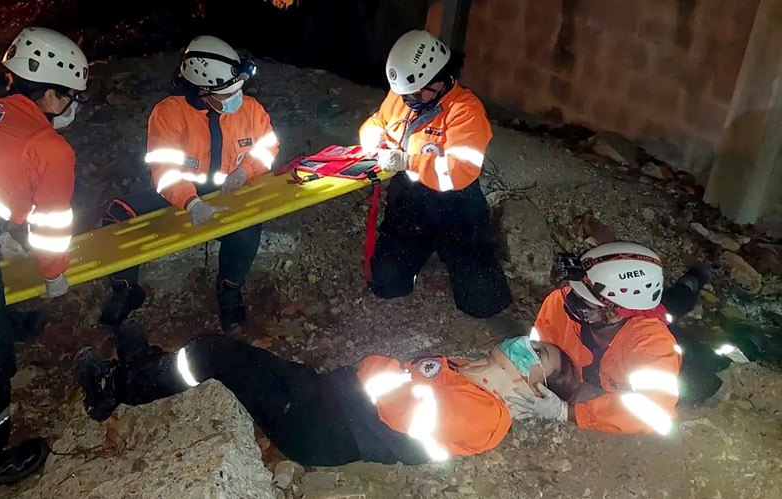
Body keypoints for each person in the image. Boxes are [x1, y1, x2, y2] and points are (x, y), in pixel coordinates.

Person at [73, 322, 578, 466]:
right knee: (227, 357)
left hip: (318, 428)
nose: (526, 345)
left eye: (539, 355)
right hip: (326, 397)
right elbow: (391, 379)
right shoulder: (472, 374)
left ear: (534, 387)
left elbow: (384, 387)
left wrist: (390, 368)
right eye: (536, 342)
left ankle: (112, 389)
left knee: (213, 354)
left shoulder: (489, 419)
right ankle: (149, 370)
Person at [100, 35, 279, 333]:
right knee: (117, 214)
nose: (237, 97)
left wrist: (246, 171)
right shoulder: (169, 113)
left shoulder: (251, 109)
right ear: (202, 90)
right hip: (181, 196)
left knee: (249, 228)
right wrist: (191, 201)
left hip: (229, 191)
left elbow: (268, 147)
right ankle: (125, 290)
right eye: (227, 93)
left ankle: (229, 293)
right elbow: (165, 170)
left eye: (238, 88)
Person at [0, 27, 88, 490]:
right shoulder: (50, 146)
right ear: (47, 94)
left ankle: (2, 319)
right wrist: (54, 275)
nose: (72, 105)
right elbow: (50, 225)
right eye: (68, 96)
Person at [359, 30, 511, 319]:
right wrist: (374, 139)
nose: (409, 100)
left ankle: (463, 262)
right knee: (386, 283)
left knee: (482, 303)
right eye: (406, 94)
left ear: (440, 80)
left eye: (417, 93)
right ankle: (419, 254)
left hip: (456, 208)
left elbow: (458, 173)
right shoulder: (403, 95)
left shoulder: (465, 111)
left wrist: (408, 161)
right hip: (409, 201)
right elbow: (377, 122)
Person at [508, 242, 684, 435]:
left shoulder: (653, 346)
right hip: (628, 334)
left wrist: (568, 412)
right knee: (674, 303)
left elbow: (657, 411)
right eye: (573, 291)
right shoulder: (558, 305)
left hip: (678, 357)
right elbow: (538, 350)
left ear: (614, 314)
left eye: (583, 302)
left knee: (702, 374)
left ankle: (695, 279)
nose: (569, 300)